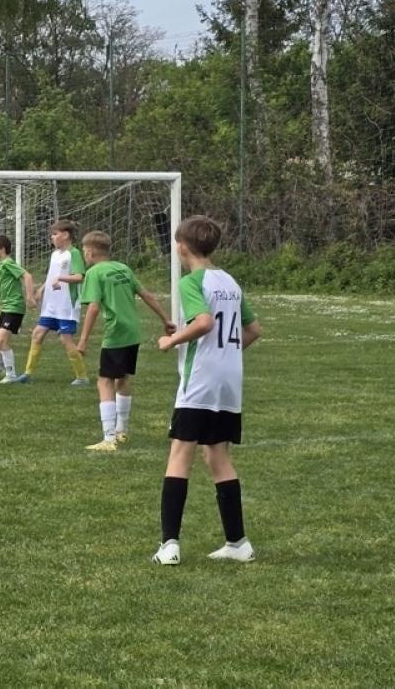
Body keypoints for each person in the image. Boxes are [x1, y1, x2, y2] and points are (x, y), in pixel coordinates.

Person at [152, 216, 261, 566]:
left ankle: (169, 545)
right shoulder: (229, 280)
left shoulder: (190, 281)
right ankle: (238, 542)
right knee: (217, 455)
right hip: (230, 381)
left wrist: (171, 339)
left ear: (182, 246)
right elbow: (253, 330)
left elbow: (203, 323)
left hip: (201, 381)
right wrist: (223, 351)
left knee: (180, 454)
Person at [75, 231, 174, 452]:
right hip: (133, 331)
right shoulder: (123, 268)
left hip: (116, 331)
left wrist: (83, 340)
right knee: (122, 379)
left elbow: (93, 307)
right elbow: (146, 294)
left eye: (84, 251)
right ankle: (122, 430)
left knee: (104, 381)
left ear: (90, 252)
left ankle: (109, 437)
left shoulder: (94, 273)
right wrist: (165, 319)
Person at [22, 219, 89, 386]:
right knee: (37, 334)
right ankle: (27, 374)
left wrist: (61, 278)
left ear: (65, 235)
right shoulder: (54, 255)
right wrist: (42, 289)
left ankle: (82, 377)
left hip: (66, 306)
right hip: (50, 305)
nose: (52, 237)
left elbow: (79, 277)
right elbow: (52, 276)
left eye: (54, 234)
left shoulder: (73, 253)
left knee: (65, 340)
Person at [0, 235, 35, 384]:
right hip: (6, 307)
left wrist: (29, 297)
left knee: (2, 340)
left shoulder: (8, 262)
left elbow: (27, 276)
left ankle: (11, 374)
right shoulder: (1, 264)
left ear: (2, 249)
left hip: (15, 307)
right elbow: (0, 287)